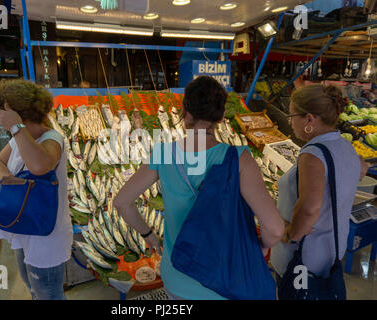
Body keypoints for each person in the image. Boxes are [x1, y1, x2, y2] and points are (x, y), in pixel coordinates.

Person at [113, 76, 285, 300]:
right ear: (222, 116)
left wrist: (151, 237)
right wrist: (260, 246)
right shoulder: (239, 159)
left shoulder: (164, 154)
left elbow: (122, 202)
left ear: (184, 110)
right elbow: (276, 229)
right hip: (225, 280)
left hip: (178, 276)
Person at [270, 84, 368, 293]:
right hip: (330, 252)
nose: (290, 121)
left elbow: (309, 208)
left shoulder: (313, 154)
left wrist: (289, 234)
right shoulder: (345, 146)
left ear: (309, 119)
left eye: (292, 115)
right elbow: (359, 171)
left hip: (304, 259)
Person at [0, 79, 73, 300]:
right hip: (24, 226)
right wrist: (13, 185)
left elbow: (39, 166)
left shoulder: (51, 139)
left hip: (46, 234)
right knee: (32, 285)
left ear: (17, 115)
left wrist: (16, 126)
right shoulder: (20, 139)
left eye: (0, 114)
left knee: (48, 292)